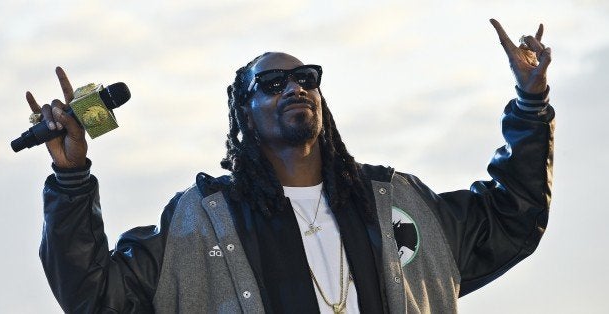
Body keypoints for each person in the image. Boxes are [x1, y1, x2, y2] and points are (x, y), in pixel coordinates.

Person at [29, 19, 553, 313]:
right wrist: (71, 180)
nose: (295, 88)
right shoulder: (201, 223)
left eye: (305, 77)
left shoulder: (397, 201)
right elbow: (97, 297)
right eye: (273, 84)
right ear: (246, 116)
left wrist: (530, 106)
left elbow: (512, 215)